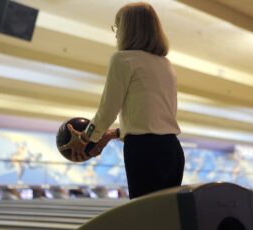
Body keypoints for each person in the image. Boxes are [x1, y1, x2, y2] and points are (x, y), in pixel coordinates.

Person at [79, 2, 185, 199]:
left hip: (144, 152)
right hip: (172, 150)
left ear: (128, 29)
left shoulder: (122, 59)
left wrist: (87, 139)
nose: (116, 33)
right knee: (166, 219)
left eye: (118, 27)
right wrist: (115, 134)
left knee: (144, 217)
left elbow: (107, 110)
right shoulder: (166, 64)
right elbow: (156, 117)